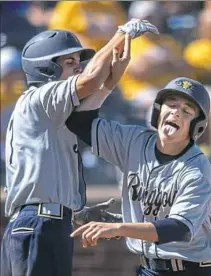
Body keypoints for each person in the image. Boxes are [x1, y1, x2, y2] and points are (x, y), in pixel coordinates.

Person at [1, 19, 159, 276]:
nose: (78, 68)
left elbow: (95, 92)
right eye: (69, 63)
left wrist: (76, 212)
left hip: (40, 222)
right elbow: (90, 81)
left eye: (79, 62)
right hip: (40, 223)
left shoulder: (49, 111)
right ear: (45, 68)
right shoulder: (40, 98)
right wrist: (121, 33)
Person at [67, 77, 211, 276]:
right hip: (148, 269)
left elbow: (178, 228)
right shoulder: (133, 141)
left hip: (190, 269)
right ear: (158, 111)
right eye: (172, 104)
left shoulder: (197, 167)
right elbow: (80, 123)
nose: (176, 112)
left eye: (186, 111)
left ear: (197, 125)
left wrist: (119, 228)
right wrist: (108, 83)